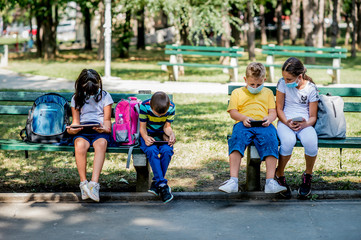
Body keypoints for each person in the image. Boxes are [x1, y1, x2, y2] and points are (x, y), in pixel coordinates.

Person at [219, 62, 287, 194]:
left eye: (259, 84)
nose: (255, 87)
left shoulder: (267, 93)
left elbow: (273, 111)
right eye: (252, 84)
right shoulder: (237, 93)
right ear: (245, 80)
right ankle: (233, 180)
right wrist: (243, 118)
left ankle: (270, 182)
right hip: (243, 124)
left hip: (264, 124)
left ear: (264, 80)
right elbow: (233, 112)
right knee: (236, 140)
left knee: (271, 140)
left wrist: (270, 118)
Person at [275, 57, 319, 199]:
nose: (285, 81)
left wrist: (305, 124)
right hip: (285, 121)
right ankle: (279, 174)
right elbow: (279, 109)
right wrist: (287, 122)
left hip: (304, 123)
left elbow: (313, 116)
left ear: (299, 76)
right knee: (287, 142)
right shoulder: (282, 84)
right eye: (284, 78)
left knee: (311, 143)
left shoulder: (311, 88)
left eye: (289, 79)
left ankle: (308, 175)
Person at [67, 69, 114, 202]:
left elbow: (107, 124)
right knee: (80, 145)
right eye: (88, 91)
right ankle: (83, 183)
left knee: (101, 144)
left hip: (100, 131)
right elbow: (75, 122)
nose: (91, 94)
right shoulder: (76, 98)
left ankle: (93, 184)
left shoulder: (105, 96)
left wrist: (103, 129)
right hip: (83, 132)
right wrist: (72, 130)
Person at [139, 91, 176, 203]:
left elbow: (167, 127)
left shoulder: (171, 107)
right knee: (151, 150)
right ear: (151, 106)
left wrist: (171, 134)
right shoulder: (145, 106)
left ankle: (157, 183)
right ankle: (163, 185)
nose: (159, 116)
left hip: (161, 135)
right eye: (157, 114)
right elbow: (142, 128)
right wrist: (145, 138)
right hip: (147, 134)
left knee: (167, 150)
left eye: (162, 114)